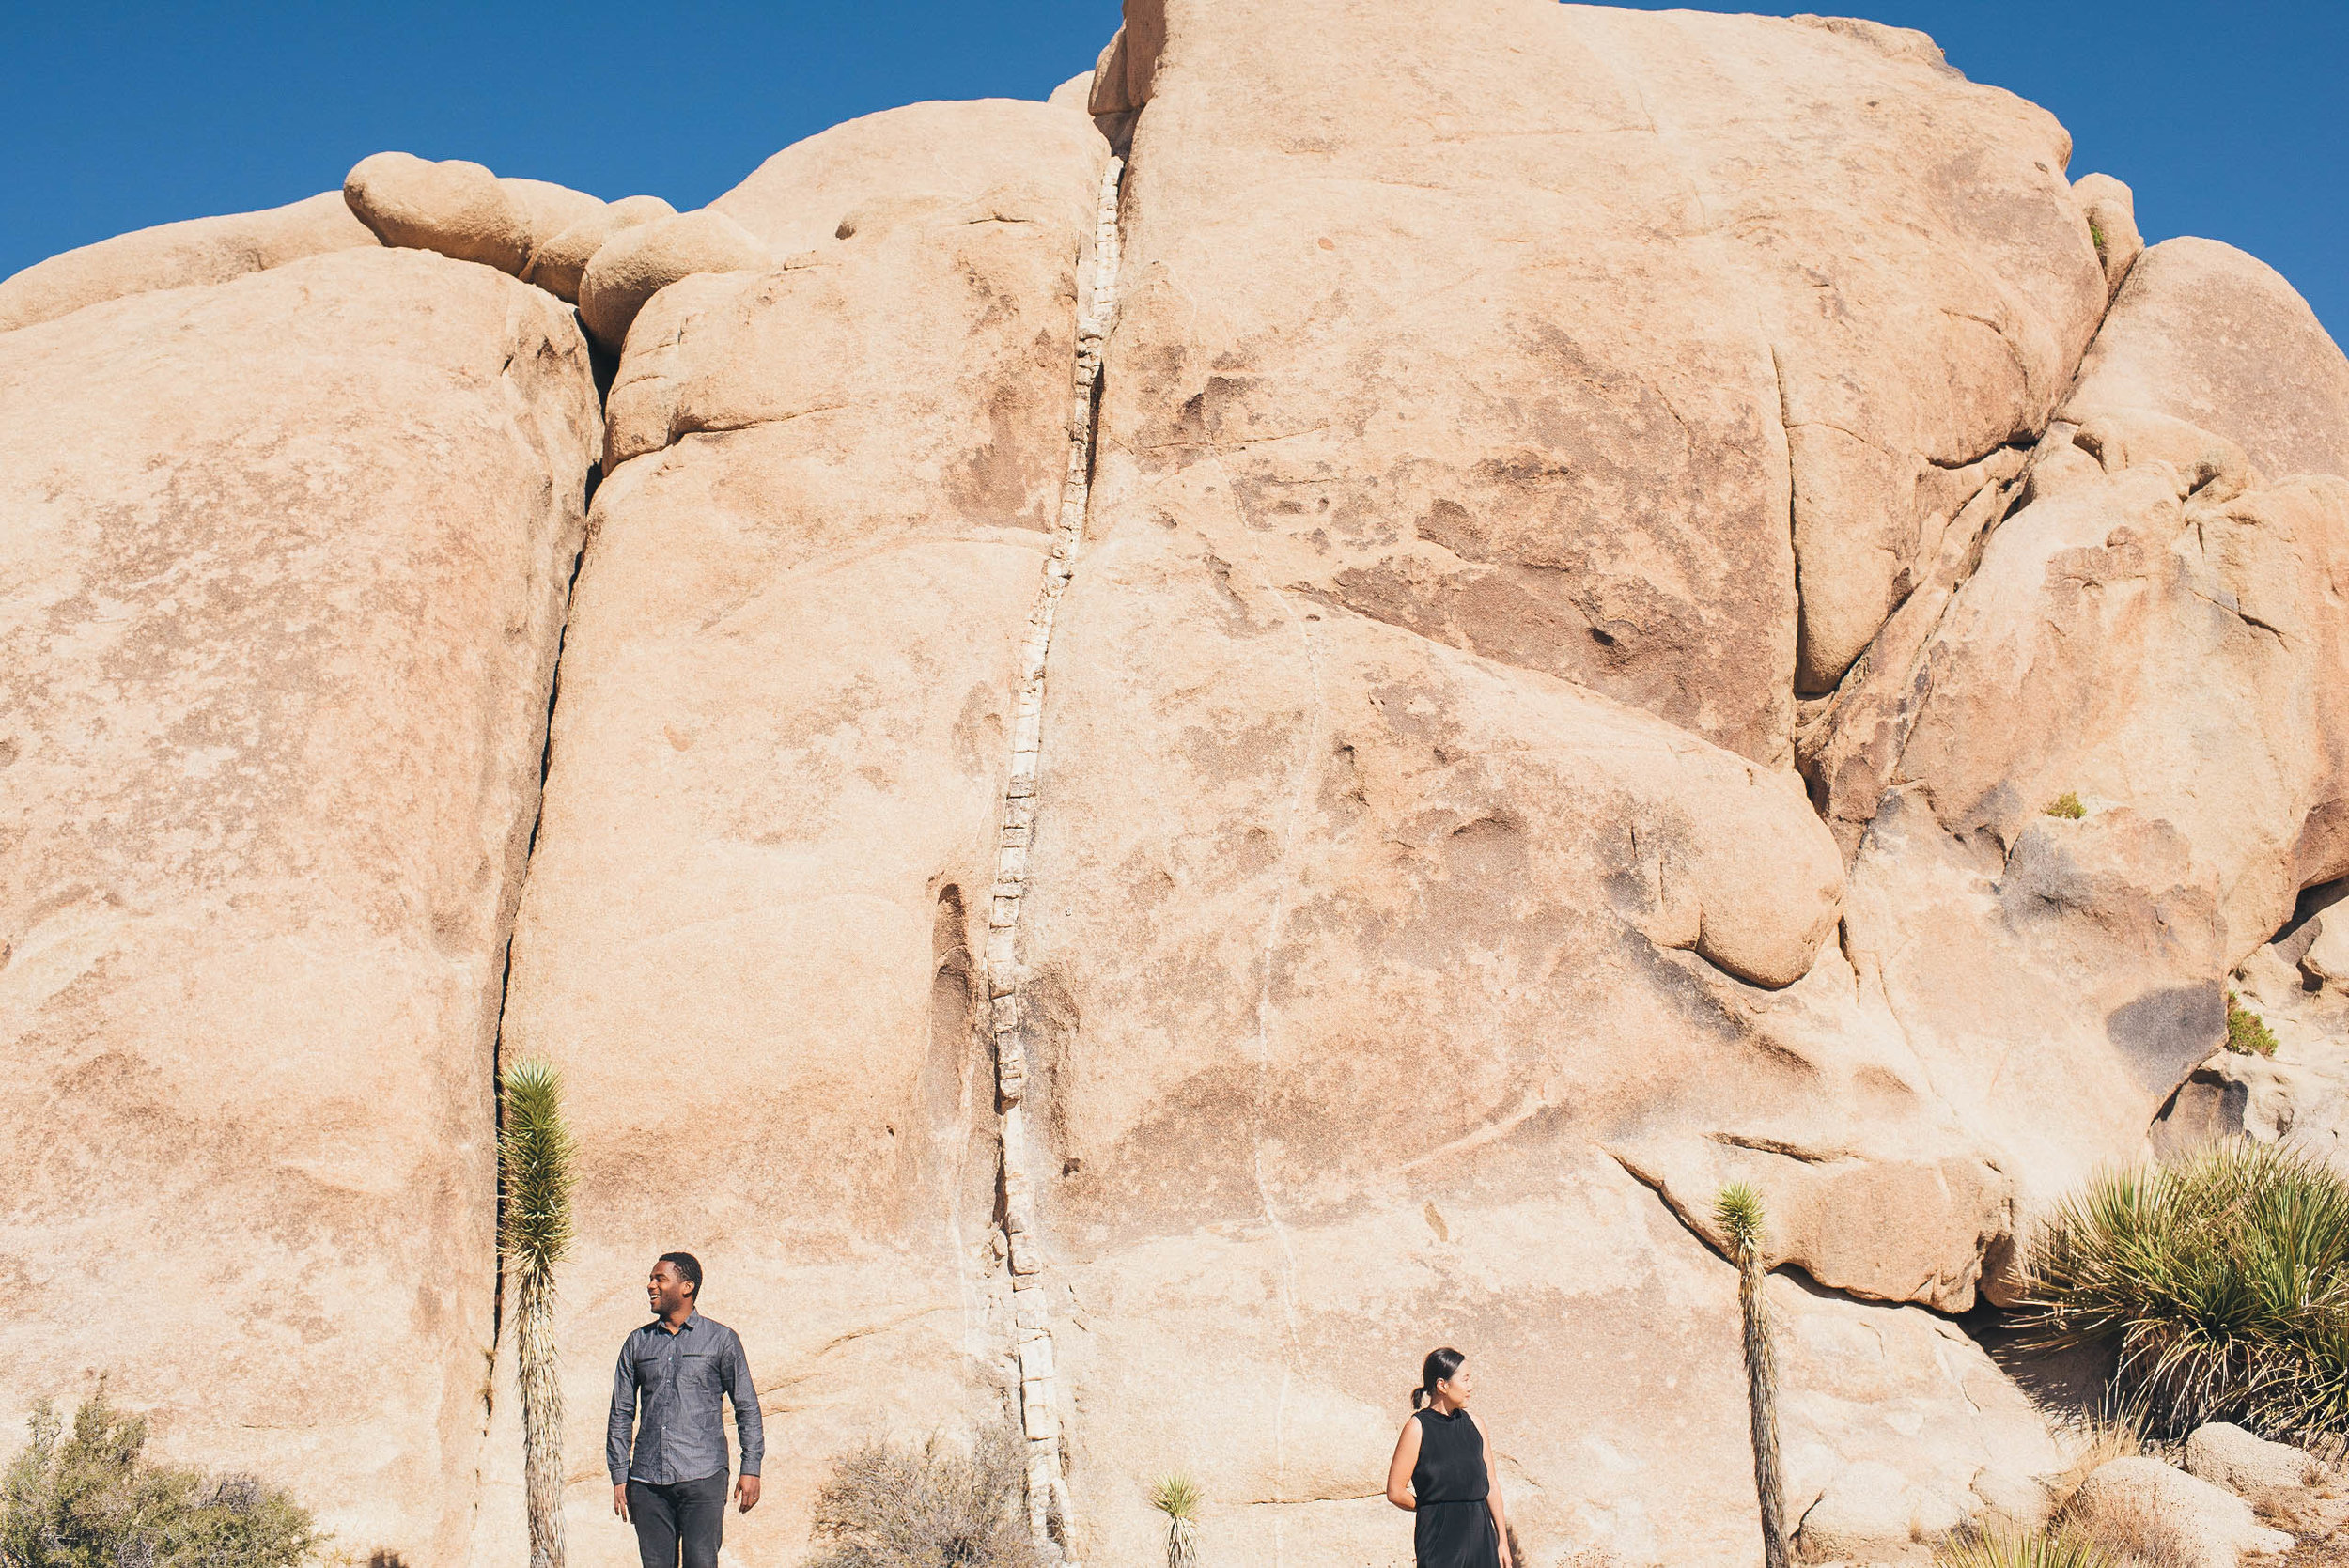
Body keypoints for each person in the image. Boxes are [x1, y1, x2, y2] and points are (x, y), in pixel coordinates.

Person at [608, 1252, 764, 1568]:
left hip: (703, 1476)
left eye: (659, 1279)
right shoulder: (637, 1342)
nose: (651, 1285)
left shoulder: (721, 1340)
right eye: (652, 1279)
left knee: (701, 1563)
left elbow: (746, 1406)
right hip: (647, 1480)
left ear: (686, 1286)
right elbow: (621, 1412)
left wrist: (751, 1467)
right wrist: (619, 1474)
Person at [1385, 1347, 1511, 1568]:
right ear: (1442, 1385)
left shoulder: (1476, 1424)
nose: (1470, 1387)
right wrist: (1431, 1506)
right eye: (1465, 1379)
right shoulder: (1417, 1427)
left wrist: (1503, 1540)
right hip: (1439, 1538)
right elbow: (1395, 1491)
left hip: (1481, 1535)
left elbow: (1491, 1483)